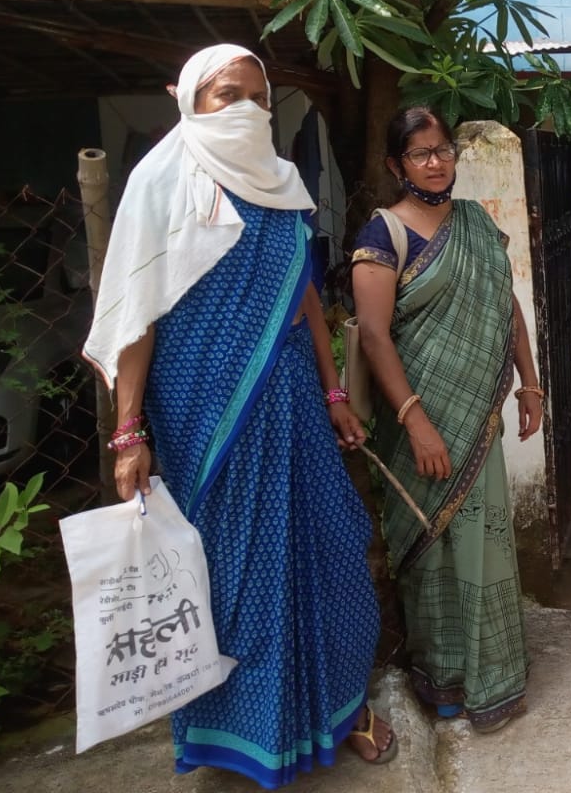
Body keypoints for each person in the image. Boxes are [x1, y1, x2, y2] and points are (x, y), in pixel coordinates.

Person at [82, 45, 396, 787]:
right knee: (229, 574)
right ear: (188, 98)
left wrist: (333, 390)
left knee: (330, 547)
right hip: (202, 412)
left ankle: (339, 707)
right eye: (227, 94)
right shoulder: (161, 180)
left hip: (290, 401)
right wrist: (128, 432)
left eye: (258, 96)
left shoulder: (283, 182)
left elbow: (307, 295)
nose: (246, 109)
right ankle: (245, 733)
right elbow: (136, 316)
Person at [350, 107, 542, 733]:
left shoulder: (478, 225)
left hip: (477, 419)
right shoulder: (383, 237)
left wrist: (531, 382)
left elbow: (505, 304)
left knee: (483, 542)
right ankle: (443, 675)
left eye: (443, 151)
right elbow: (376, 339)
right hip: (421, 424)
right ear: (395, 164)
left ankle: (495, 673)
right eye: (420, 154)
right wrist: (416, 421)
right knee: (429, 548)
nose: (436, 163)